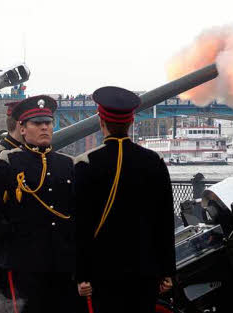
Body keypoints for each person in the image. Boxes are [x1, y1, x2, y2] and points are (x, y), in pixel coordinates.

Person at [0, 96, 77, 313]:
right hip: (24, 265)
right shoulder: (8, 162)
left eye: (48, 123)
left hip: (63, 265)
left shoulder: (67, 164)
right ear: (22, 129)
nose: (44, 127)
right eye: (37, 123)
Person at [73, 86, 175, 312]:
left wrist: (81, 275)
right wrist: (167, 270)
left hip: (102, 272)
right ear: (132, 122)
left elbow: (80, 226)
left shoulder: (85, 164)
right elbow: (164, 221)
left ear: (101, 122)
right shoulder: (153, 161)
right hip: (145, 270)